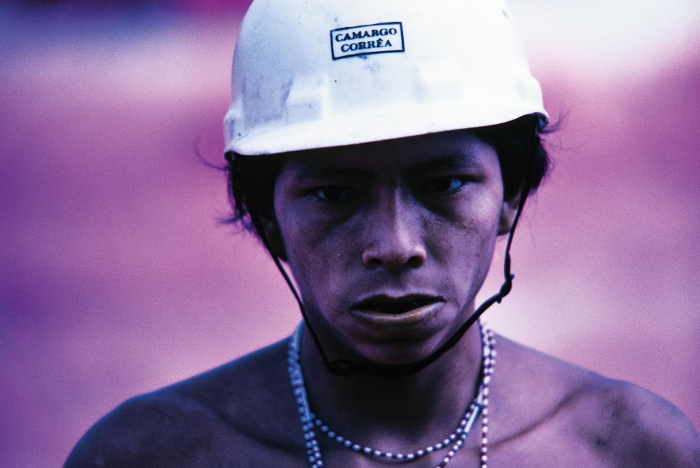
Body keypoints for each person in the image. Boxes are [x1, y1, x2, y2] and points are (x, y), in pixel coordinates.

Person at [65, 0, 700, 466]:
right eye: (334, 194)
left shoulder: (633, 448)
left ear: (509, 195)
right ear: (266, 220)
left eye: (444, 184)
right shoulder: (149, 455)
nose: (396, 247)